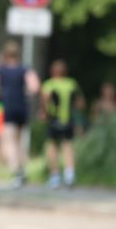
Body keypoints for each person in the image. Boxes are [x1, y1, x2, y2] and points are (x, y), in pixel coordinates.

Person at [0, 39, 39, 187]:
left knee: (9, 140)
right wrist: (25, 91)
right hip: (22, 106)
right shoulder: (24, 69)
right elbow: (34, 87)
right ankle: (23, 169)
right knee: (19, 140)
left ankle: (16, 172)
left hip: (8, 107)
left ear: (5, 55)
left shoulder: (0, 70)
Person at [40, 59, 85, 188]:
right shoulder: (72, 84)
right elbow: (81, 103)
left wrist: (44, 112)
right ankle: (70, 174)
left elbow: (45, 100)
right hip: (69, 120)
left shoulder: (49, 84)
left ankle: (55, 176)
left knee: (51, 146)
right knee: (68, 146)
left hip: (54, 120)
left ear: (52, 71)